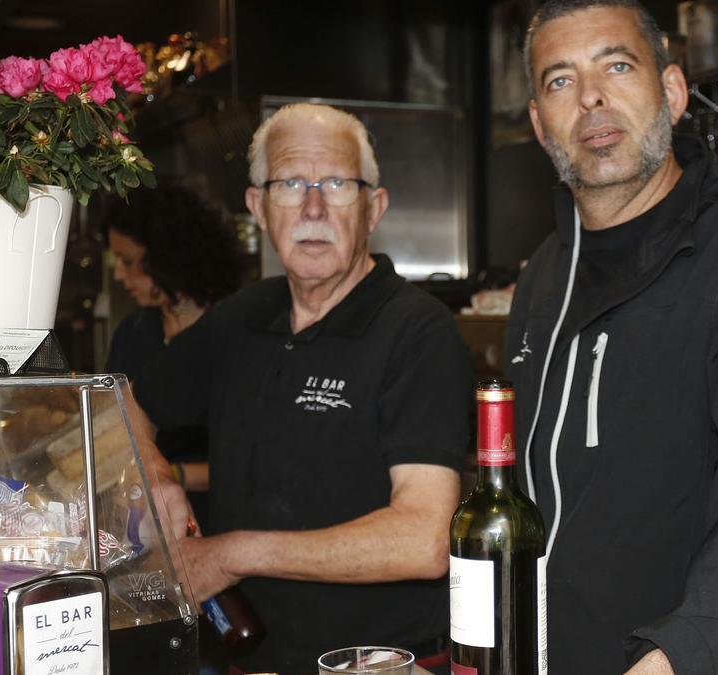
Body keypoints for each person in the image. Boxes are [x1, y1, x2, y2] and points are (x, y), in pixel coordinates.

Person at [507, 2, 718, 673]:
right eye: (559, 81)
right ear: (538, 123)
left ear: (671, 90)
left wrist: (678, 654)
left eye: (616, 65)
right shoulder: (542, 278)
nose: (591, 97)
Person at [135, 103, 471, 674]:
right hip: (249, 658)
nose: (313, 207)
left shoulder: (417, 332)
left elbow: (425, 537)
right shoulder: (242, 317)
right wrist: (158, 480)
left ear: (374, 207)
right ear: (258, 207)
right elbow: (124, 405)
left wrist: (234, 554)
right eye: (290, 183)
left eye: (337, 184)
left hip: (380, 666)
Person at [104, 185, 240, 516]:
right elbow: (115, 428)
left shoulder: (235, 332)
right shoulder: (134, 333)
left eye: (129, 261)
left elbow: (258, 460)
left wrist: (172, 477)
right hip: (147, 517)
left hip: (222, 516)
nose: (119, 274)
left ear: (169, 258)